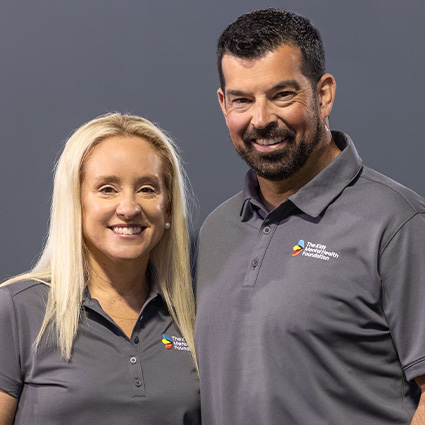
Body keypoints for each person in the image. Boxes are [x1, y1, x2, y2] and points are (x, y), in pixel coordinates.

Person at [194, 8, 425, 425]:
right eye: (242, 100)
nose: (261, 120)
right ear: (223, 104)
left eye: (282, 95)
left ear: (324, 94)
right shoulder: (216, 230)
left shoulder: (398, 224)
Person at [0, 113, 200, 424]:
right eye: (107, 189)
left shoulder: (194, 317)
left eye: (147, 189)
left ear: (169, 209)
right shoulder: (17, 310)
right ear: (75, 202)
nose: (129, 208)